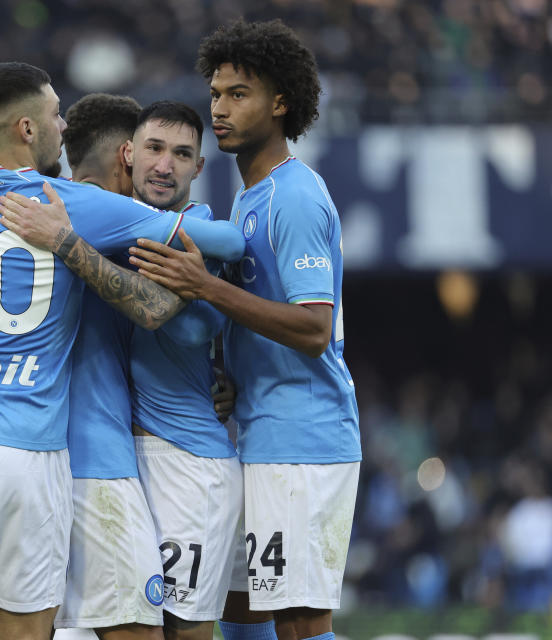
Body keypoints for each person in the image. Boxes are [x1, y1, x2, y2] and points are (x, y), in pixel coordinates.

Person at [0, 62, 244, 640]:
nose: (62, 123)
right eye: (54, 113)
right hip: (34, 447)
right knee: (60, 628)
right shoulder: (69, 204)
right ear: (28, 128)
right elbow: (215, 256)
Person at [127, 20, 361, 640]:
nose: (220, 109)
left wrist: (205, 286)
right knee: (240, 607)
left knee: (299, 620)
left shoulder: (298, 198)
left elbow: (315, 329)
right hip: (257, 430)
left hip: (303, 438)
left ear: (280, 103)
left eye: (239, 94)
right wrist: (227, 374)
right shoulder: (249, 200)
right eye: (217, 94)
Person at [125, 101, 274, 640]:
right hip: (117, 462)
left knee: (180, 629)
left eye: (182, 154)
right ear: (129, 153)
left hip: (186, 463)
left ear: (198, 169)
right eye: (155, 149)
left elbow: (193, 328)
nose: (165, 165)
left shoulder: (201, 230)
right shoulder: (111, 223)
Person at [53, 92, 166, 640]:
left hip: (32, 459)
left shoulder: (34, 206)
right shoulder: (113, 218)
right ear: (127, 155)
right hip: (96, 465)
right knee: (137, 631)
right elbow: (218, 239)